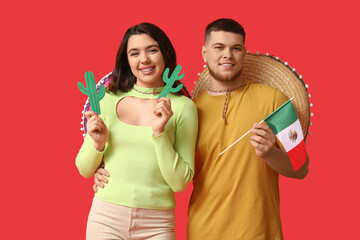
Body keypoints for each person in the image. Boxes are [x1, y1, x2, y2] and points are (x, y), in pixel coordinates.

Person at [93, 19, 310, 240]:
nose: (228, 55)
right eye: (219, 47)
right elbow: (155, 160)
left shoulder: (276, 101)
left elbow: (301, 167)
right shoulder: (188, 109)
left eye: (235, 48)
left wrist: (269, 153)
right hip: (202, 232)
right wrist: (103, 166)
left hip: (260, 232)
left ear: (244, 53)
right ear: (205, 53)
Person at [76, 22, 198, 240]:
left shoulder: (183, 107)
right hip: (106, 218)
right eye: (135, 53)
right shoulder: (107, 99)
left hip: (157, 224)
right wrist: (99, 144)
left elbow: (180, 183)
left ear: (165, 54)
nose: (144, 59)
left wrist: (160, 134)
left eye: (152, 50)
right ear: (127, 60)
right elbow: (85, 169)